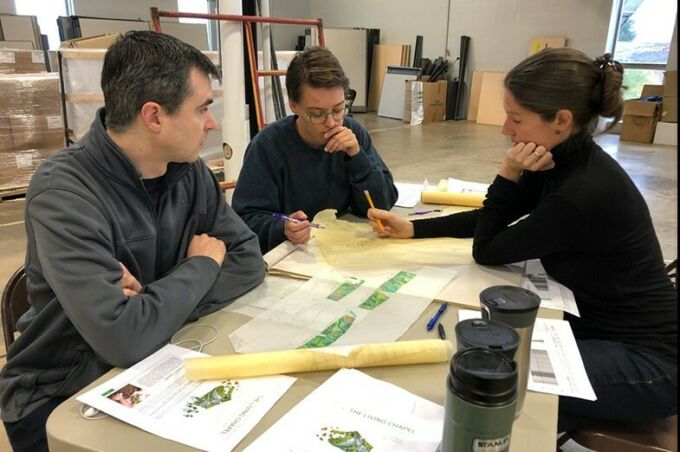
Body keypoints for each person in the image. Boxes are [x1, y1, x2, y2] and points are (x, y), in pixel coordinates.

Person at [368, 48, 677, 432]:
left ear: (561, 120)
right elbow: (495, 219)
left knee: (490, 388)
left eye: (515, 119)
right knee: (489, 364)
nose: (505, 130)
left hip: (653, 362)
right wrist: (414, 228)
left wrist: (508, 170)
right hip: (602, 328)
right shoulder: (561, 159)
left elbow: (489, 248)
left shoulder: (581, 192)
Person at [0, 31, 265, 452]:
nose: (211, 123)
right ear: (154, 117)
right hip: (60, 395)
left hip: (158, 362)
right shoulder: (64, 193)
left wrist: (149, 308)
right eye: (202, 110)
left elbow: (249, 261)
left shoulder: (191, 174)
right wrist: (200, 266)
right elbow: (124, 339)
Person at [232, 46, 398, 253]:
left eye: (338, 109)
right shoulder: (268, 146)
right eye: (316, 114)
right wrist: (281, 228)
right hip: (293, 255)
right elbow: (244, 219)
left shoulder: (352, 133)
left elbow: (382, 204)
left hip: (342, 246)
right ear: (293, 105)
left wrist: (357, 158)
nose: (331, 123)